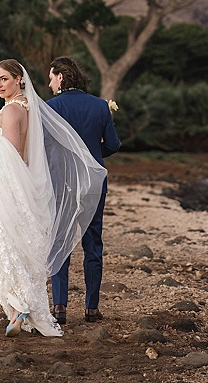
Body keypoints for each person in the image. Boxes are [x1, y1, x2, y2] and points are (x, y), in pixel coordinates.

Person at [0, 59, 107, 338]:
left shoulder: (12, 111)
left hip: (12, 186)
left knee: (10, 244)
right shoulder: (30, 107)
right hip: (25, 183)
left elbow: (12, 153)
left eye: (4, 79)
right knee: (23, 245)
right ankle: (26, 309)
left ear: (19, 79)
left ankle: (21, 308)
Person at [47, 56, 120, 324]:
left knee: (60, 242)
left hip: (62, 185)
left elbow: (44, 148)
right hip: (93, 184)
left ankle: (60, 307)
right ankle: (91, 308)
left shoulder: (50, 107)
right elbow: (113, 144)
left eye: (51, 77)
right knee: (93, 244)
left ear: (61, 77)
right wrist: (90, 156)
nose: (49, 83)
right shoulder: (101, 106)